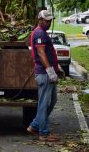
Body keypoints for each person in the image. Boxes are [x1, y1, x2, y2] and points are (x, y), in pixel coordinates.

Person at [27, 10, 64, 142]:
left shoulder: (42, 33)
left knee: (52, 101)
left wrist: (56, 67)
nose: (48, 23)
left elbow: (48, 53)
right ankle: (44, 133)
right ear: (40, 19)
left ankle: (35, 125)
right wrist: (50, 70)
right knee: (44, 104)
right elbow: (41, 54)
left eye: (50, 21)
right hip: (44, 74)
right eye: (46, 20)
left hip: (47, 73)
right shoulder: (39, 33)